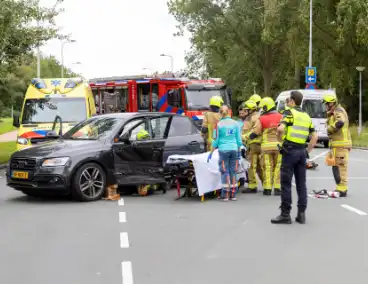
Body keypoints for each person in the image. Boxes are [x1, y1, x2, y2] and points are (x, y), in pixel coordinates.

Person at [271, 90, 318, 224]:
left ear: (292, 101)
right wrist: (307, 151)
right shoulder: (307, 116)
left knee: (286, 183)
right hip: (301, 152)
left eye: (288, 100)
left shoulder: (289, 112)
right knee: (301, 184)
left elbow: (280, 129)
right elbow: (314, 136)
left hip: (289, 150)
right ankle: (301, 214)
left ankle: (285, 214)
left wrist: (280, 141)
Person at [248, 97, 282, 196]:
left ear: (266, 107)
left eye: (262, 108)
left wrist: (249, 136)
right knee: (278, 167)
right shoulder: (281, 117)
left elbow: (256, 132)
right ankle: (277, 188)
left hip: (266, 147)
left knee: (267, 167)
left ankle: (267, 188)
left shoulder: (261, 118)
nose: (261, 110)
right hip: (279, 147)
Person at [208, 105, 243, 201]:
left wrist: (211, 152)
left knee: (224, 171)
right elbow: (239, 139)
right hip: (234, 149)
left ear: (220, 113)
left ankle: (225, 194)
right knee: (233, 171)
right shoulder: (236, 124)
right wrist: (239, 151)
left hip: (223, 150)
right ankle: (233, 194)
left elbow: (215, 140)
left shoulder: (218, 125)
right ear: (229, 112)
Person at [323, 94, 352, 197]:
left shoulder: (338, 111)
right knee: (336, 166)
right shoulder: (334, 112)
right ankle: (340, 187)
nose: (326, 105)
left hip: (340, 145)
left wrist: (330, 128)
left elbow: (340, 122)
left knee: (340, 167)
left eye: (327, 103)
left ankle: (342, 189)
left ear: (332, 103)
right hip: (337, 145)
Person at [241, 100, 263, 193]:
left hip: (252, 145)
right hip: (262, 145)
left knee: (250, 166)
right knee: (259, 166)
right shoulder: (261, 116)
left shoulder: (249, 119)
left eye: (246, 110)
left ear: (251, 110)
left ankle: (252, 186)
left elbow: (245, 134)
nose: (245, 112)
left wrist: (242, 143)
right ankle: (266, 184)